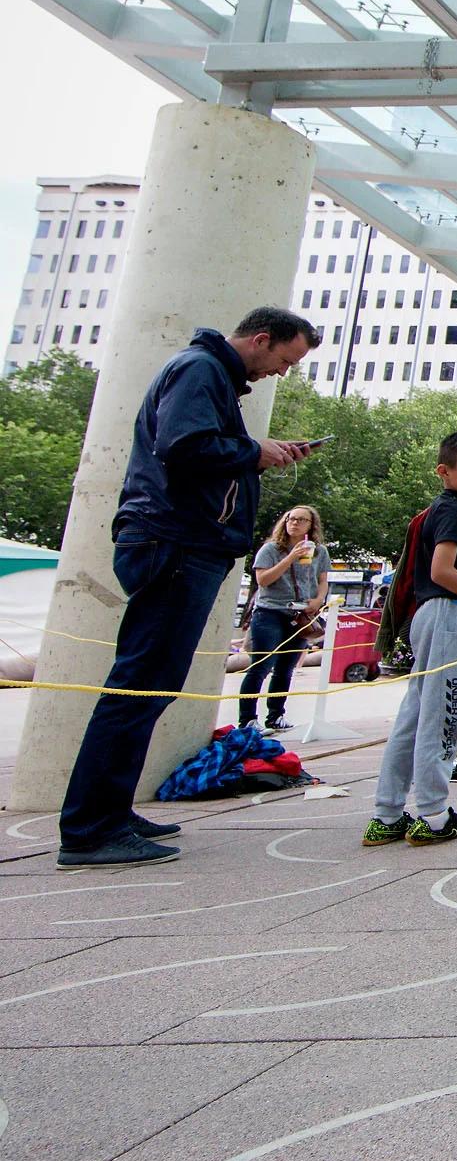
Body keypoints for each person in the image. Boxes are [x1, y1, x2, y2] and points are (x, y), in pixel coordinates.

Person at [56, 309, 319, 870]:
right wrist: (254, 451)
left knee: (150, 685)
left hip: (178, 543)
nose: (281, 372)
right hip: (172, 542)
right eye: (284, 360)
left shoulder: (209, 375)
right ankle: (89, 827)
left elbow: (196, 446)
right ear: (261, 339)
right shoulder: (199, 370)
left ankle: (108, 812)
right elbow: (184, 445)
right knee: (139, 685)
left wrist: (257, 451)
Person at [363, 431, 457, 849]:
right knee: (445, 712)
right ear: (445, 470)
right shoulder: (452, 510)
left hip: (436, 614)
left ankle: (387, 814)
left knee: (416, 713)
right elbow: (443, 570)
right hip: (447, 611)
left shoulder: (452, 510)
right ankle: (434, 814)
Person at [238, 504, 331, 733]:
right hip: (270, 611)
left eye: (301, 520)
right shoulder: (270, 549)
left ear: (311, 525)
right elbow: (263, 580)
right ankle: (247, 719)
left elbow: (322, 580)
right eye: (291, 519)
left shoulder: (319, 551)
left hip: (301, 614)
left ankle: (276, 715)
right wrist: (291, 557)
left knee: (285, 668)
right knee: (260, 666)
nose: (295, 523)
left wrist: (319, 599)